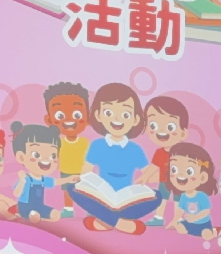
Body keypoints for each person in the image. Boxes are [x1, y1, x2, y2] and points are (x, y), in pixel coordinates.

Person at [67, 82, 161, 234]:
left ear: (135, 119)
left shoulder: (135, 149)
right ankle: (120, 222)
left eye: (125, 114)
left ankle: (105, 220)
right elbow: (86, 172)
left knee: (157, 196)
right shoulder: (97, 145)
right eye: (108, 112)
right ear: (98, 115)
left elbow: (151, 176)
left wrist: (150, 174)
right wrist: (81, 180)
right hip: (102, 198)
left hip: (127, 201)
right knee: (72, 187)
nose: (117, 119)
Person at [8, 121, 72, 222]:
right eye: (36, 155)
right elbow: (16, 193)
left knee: (56, 215)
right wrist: (22, 181)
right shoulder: (26, 179)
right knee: (34, 216)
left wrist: (69, 179)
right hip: (25, 207)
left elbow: (55, 182)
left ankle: (41, 219)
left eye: (53, 156)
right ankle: (22, 214)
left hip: (39, 206)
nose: (46, 160)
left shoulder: (43, 179)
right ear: (21, 157)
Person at [43, 82, 91, 219]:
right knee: (67, 191)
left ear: (87, 118)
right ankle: (68, 208)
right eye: (60, 115)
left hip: (83, 172)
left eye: (77, 114)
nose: (69, 119)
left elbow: (90, 158)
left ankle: (88, 208)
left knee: (84, 191)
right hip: (66, 170)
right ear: (49, 120)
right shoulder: (58, 143)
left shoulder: (85, 142)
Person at [142, 95, 190, 227]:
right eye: (154, 125)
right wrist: (145, 176)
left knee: (178, 200)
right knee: (162, 198)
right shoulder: (159, 152)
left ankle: (178, 219)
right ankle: (158, 217)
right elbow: (154, 166)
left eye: (170, 126)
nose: (161, 131)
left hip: (179, 181)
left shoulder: (182, 153)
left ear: (183, 133)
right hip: (163, 180)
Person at [166, 142, 217, 240]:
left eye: (189, 171)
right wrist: (175, 220)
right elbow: (180, 209)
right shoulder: (183, 196)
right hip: (189, 223)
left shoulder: (201, 196)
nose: (180, 175)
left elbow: (206, 211)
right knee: (180, 227)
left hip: (203, 224)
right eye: (174, 169)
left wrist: (196, 217)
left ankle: (213, 232)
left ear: (202, 177)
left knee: (206, 236)